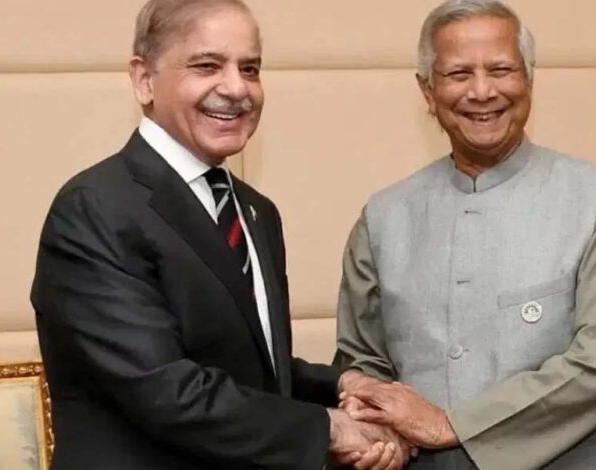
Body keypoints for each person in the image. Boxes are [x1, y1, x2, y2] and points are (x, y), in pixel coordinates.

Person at [31, 0, 408, 468]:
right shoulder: (95, 208)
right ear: (144, 80)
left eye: (250, 69)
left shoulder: (255, 211)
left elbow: (250, 369)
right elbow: (166, 389)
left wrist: (345, 385)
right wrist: (330, 428)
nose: (236, 88)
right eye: (207, 66)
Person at [335, 0, 596, 468]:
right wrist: (374, 426)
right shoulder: (383, 216)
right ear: (427, 91)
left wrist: (453, 426)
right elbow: (362, 362)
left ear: (528, 79)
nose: (482, 91)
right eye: (458, 74)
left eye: (501, 70)